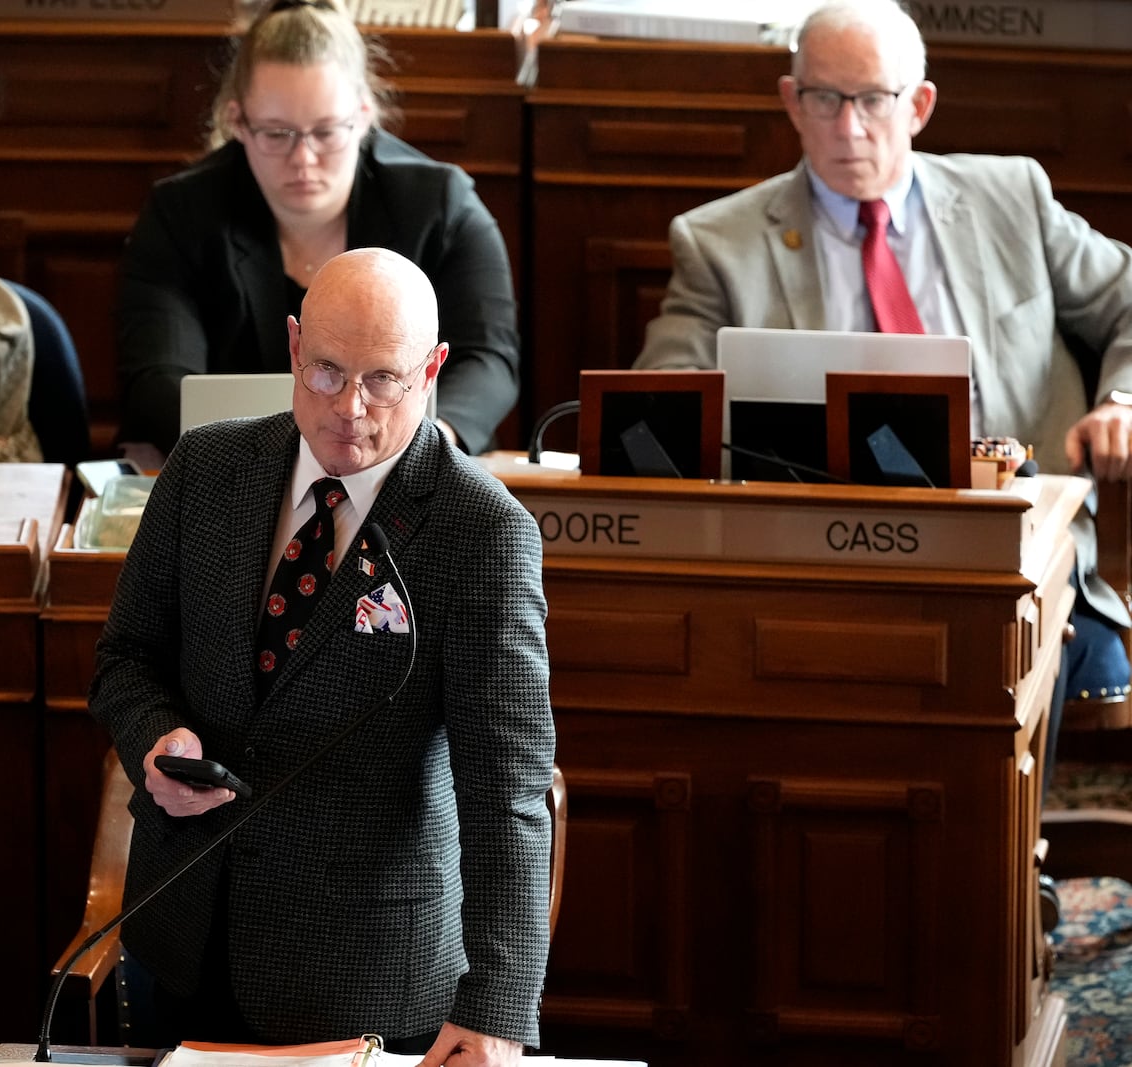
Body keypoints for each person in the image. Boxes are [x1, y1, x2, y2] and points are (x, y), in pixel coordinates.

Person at [92, 248, 553, 1066]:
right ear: (296, 346)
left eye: (384, 379)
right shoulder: (204, 467)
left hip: (365, 972)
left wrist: (497, 1005)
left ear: (434, 368)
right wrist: (157, 740)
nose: (350, 407)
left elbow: (507, 791)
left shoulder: (482, 531)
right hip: (186, 935)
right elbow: (125, 659)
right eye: (329, 372)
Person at [633, 0, 1132, 729]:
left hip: (1020, 545)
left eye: (871, 99)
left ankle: (1001, 847)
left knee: (1014, 650)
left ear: (919, 105)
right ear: (791, 101)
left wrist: (1122, 400)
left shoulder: (1012, 199)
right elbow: (662, 405)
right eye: (824, 99)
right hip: (818, 562)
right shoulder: (719, 243)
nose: (848, 127)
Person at [115, 0, 520, 458]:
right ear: (237, 123)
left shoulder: (442, 206)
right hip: (236, 476)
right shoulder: (180, 213)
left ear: (363, 116)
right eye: (275, 133)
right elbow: (157, 380)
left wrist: (425, 448)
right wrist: (287, 465)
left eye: (326, 132)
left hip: (401, 473)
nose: (303, 159)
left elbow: (488, 362)